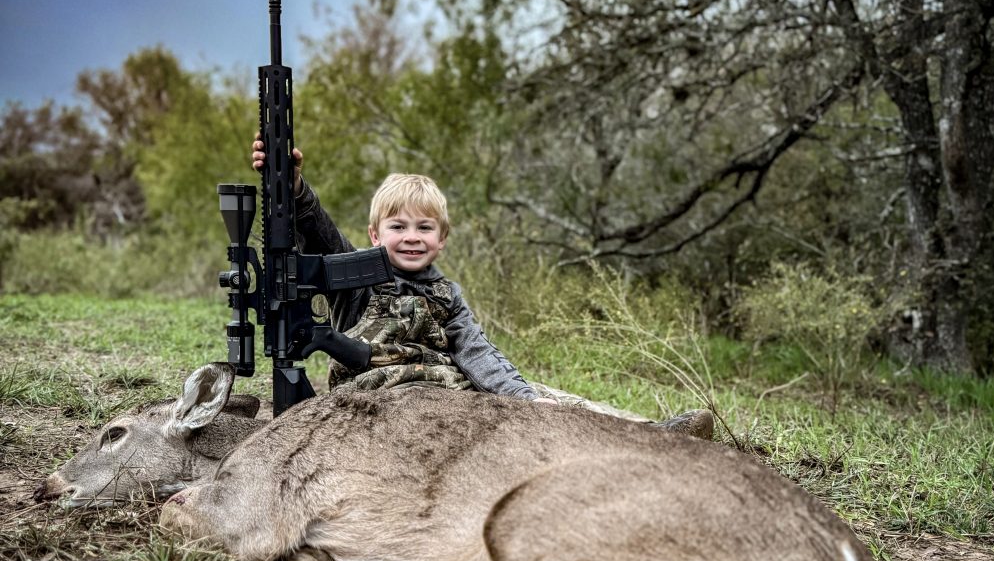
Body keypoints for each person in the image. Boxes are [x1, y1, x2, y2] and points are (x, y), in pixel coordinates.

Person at [251, 140, 714, 437]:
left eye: (424, 227)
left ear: (442, 239)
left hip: (452, 393)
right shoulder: (352, 282)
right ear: (375, 235)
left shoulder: (447, 296)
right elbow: (318, 230)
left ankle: (648, 433)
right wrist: (292, 187)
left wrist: (527, 402)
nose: (412, 236)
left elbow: (477, 352)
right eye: (398, 226)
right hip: (382, 404)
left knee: (548, 399)